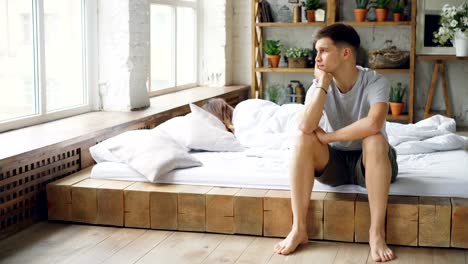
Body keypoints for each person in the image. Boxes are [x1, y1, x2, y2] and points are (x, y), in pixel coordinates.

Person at [274, 23, 398, 262]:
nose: (316, 58)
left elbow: (373, 124)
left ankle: (376, 233)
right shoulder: (320, 84)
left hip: (371, 160)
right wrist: (322, 84)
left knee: (374, 139)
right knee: (302, 139)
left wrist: (329, 136)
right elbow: (305, 127)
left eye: (323, 51)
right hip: (336, 163)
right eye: (316, 51)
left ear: (345, 53)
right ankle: (299, 228)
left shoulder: (375, 81)